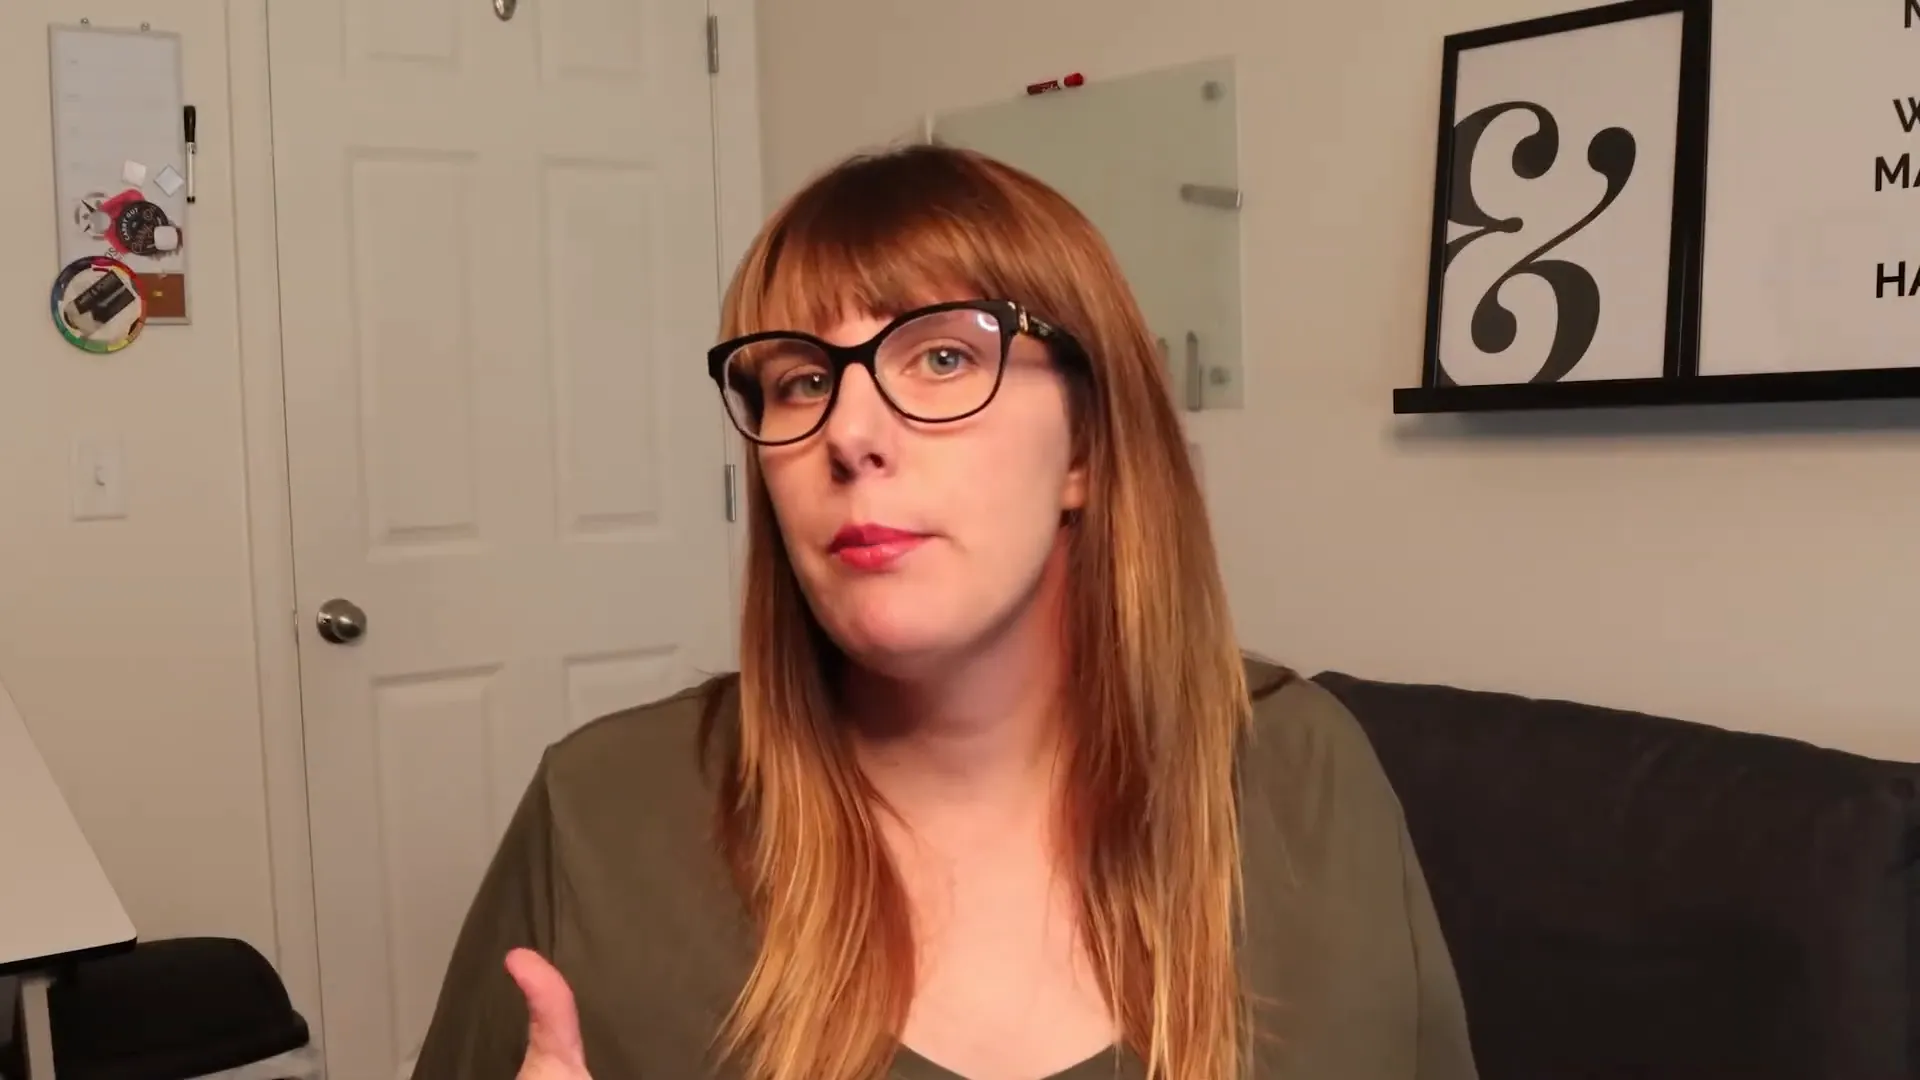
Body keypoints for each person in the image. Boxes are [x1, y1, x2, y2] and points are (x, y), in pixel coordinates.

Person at [410, 143, 1478, 1080]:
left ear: (1089, 449)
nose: (848, 433)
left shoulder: (1301, 774)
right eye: (794, 380)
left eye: (943, 356)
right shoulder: (603, 814)